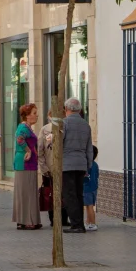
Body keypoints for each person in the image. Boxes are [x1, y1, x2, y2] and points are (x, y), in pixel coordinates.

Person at [62, 97, 94, 233]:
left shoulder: (64, 124)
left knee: (70, 195)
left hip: (67, 163)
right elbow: (89, 148)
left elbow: (59, 143)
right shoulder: (86, 125)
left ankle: (76, 225)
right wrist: (88, 165)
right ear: (80, 110)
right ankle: (79, 223)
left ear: (66, 109)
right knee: (79, 194)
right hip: (81, 163)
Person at [13, 103, 41, 230]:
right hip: (25, 162)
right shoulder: (23, 128)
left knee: (29, 190)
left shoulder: (27, 128)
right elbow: (20, 139)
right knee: (26, 191)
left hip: (29, 162)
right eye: (34, 113)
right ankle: (26, 220)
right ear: (27, 115)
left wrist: (33, 152)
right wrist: (28, 151)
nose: (37, 116)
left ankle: (29, 219)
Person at [84, 145, 100, 231]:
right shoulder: (95, 164)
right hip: (94, 188)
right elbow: (97, 175)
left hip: (87, 188)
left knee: (89, 206)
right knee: (89, 206)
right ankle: (88, 222)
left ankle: (93, 224)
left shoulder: (87, 165)